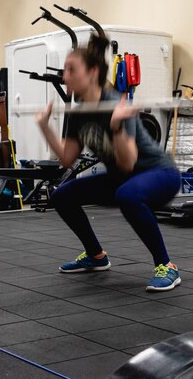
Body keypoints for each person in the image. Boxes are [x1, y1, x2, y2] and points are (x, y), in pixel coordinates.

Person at [35, 32, 182, 292]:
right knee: (61, 196)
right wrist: (44, 126)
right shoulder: (79, 112)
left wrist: (116, 128)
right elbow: (67, 159)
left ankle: (166, 265)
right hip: (122, 180)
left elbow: (128, 163)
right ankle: (96, 255)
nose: (65, 76)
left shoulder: (115, 104)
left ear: (92, 73)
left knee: (127, 195)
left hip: (159, 174)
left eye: (71, 70)